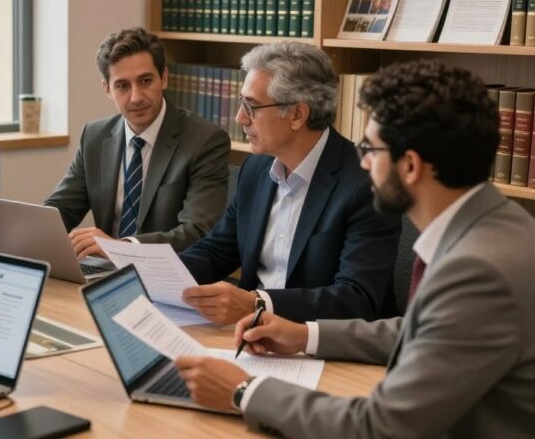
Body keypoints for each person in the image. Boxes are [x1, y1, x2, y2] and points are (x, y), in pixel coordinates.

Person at [176, 60, 535, 438]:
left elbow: (381, 427)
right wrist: (305, 335)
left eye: (370, 148)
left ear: (410, 166)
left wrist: (244, 390)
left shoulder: (479, 270)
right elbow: (420, 330)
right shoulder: (496, 227)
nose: (362, 161)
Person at [179, 42, 400, 324]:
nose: (240, 117)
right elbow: (218, 250)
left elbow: (356, 299)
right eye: (241, 102)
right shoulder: (256, 168)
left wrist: (257, 304)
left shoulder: (366, 183)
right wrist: (151, 272)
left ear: (297, 114)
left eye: (252, 106)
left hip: (323, 346)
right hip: (252, 334)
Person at [44, 27, 230, 254]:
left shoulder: (204, 140)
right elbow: (60, 210)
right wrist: (27, 234)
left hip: (169, 275)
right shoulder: (94, 136)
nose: (136, 97)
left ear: (164, 78)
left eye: (145, 81)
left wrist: (121, 248)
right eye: (122, 86)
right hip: (107, 271)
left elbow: (197, 231)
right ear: (107, 90)